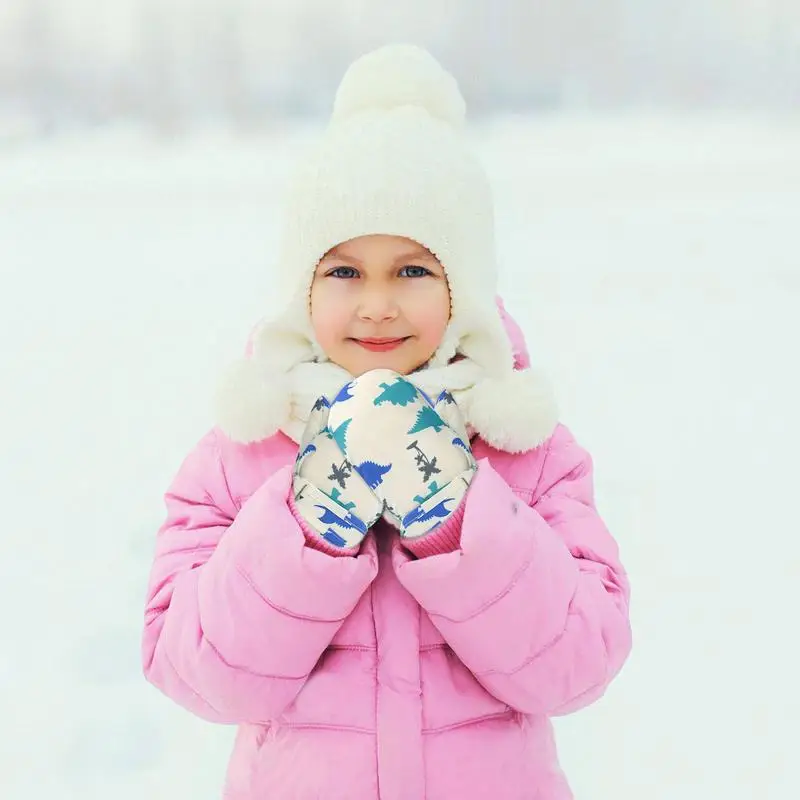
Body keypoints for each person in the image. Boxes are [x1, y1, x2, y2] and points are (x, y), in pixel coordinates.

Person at [141, 44, 632, 800]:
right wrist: (312, 515)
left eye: (412, 270)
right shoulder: (244, 451)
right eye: (343, 271)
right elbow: (197, 671)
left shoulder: (523, 449)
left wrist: (452, 511)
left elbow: (580, 662)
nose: (376, 303)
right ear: (300, 290)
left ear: (461, 290)